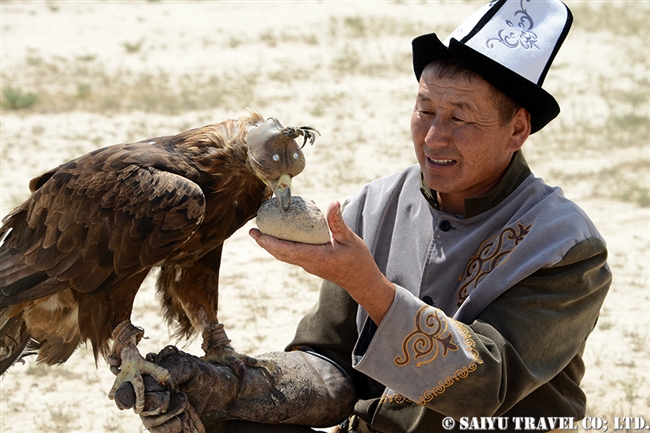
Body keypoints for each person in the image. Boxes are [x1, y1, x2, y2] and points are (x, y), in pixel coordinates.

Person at [111, 1, 611, 432]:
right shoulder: (378, 202)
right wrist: (224, 387)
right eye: (425, 109)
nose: (434, 137)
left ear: (517, 129)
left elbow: (484, 391)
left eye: (460, 117)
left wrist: (366, 283)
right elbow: (328, 365)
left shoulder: (564, 245)